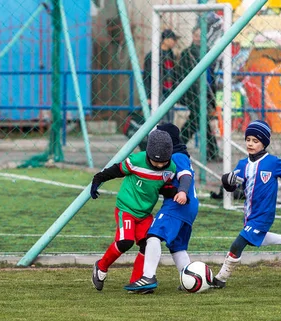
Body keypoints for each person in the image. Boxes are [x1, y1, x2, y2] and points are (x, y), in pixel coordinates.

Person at [211, 120, 281, 288]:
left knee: (239, 243)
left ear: (264, 143)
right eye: (248, 139)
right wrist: (226, 180)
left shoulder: (273, 162)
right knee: (253, 239)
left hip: (264, 214)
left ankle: (220, 278)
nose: (250, 144)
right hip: (249, 213)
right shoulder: (242, 164)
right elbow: (231, 186)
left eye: (255, 141)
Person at [90, 130, 176, 291]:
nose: (158, 165)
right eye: (154, 161)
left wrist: (174, 193)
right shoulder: (136, 160)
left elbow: (162, 186)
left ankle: (138, 281)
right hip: (126, 209)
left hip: (145, 214)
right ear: (148, 153)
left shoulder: (171, 168)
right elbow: (117, 170)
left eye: (163, 162)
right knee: (125, 242)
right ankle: (101, 266)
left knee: (148, 244)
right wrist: (98, 178)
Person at [124, 123, 200, 294]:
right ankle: (190, 279)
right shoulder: (181, 156)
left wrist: (181, 191)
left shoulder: (178, 157)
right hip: (189, 207)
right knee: (177, 246)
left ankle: (148, 276)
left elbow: (185, 177)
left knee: (153, 235)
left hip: (177, 205)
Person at [178, 26, 221, 161]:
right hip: (193, 93)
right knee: (199, 119)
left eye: (200, 35)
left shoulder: (208, 52)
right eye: (196, 35)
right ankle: (211, 152)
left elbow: (211, 74)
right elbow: (182, 75)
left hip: (207, 91)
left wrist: (212, 92)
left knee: (197, 120)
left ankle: (176, 147)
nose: (198, 38)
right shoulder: (187, 53)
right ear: (192, 35)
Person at [143, 29, 180, 123]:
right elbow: (147, 76)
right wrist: (148, 95)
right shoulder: (153, 55)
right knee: (160, 119)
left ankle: (168, 137)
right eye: (172, 39)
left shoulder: (171, 54)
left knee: (170, 119)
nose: (174, 42)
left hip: (170, 90)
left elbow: (174, 73)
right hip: (158, 91)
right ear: (165, 40)